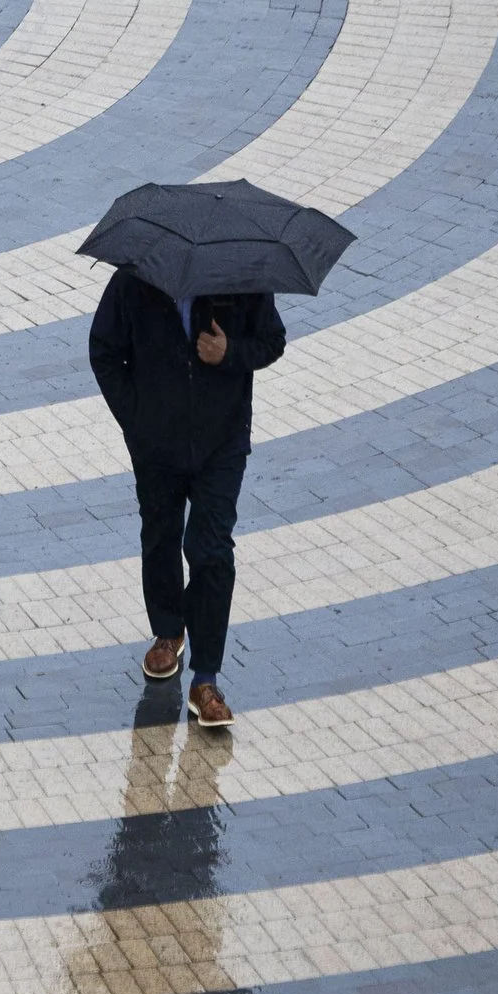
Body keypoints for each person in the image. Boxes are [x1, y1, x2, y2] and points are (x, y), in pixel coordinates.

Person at [87, 268, 285, 726]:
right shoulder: (134, 282)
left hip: (222, 442)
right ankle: (167, 632)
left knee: (210, 549)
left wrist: (229, 352)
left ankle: (206, 678)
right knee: (160, 536)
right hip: (156, 443)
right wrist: (135, 420)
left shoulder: (244, 279)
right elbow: (103, 351)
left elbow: (272, 341)